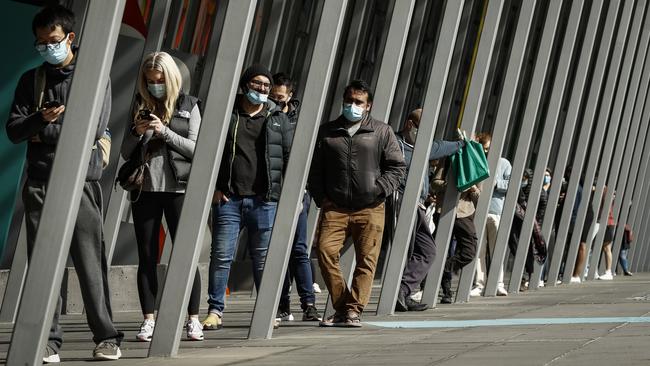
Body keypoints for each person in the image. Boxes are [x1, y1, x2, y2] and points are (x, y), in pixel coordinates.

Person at [6, 5, 123, 362]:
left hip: (81, 182)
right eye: (41, 43)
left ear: (70, 37)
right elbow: (14, 130)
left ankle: (107, 337)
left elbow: (91, 129)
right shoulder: (32, 81)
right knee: (44, 267)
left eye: (52, 41)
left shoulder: (93, 76)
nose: (46, 48)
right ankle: (47, 339)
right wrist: (42, 120)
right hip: (41, 182)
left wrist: (40, 131)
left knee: (90, 263)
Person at [120, 52, 203, 341]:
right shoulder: (141, 106)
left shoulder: (189, 105)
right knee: (147, 256)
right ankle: (148, 319)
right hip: (146, 189)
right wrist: (137, 131)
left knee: (185, 254)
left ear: (171, 79)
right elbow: (125, 152)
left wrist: (165, 132)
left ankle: (193, 318)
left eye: (159, 80)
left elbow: (195, 148)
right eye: (150, 81)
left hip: (179, 189)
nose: (155, 86)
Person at [309, 80, 406, 327]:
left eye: (358, 102)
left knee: (367, 260)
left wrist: (378, 190)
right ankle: (342, 306)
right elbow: (315, 169)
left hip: (371, 208)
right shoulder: (328, 131)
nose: (352, 105)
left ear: (368, 106)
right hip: (336, 207)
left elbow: (396, 168)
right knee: (325, 251)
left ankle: (353, 310)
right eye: (349, 101)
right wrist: (322, 197)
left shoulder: (382, 131)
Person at [203, 65, 293, 330]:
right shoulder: (229, 115)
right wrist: (216, 188)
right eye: (257, 84)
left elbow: (288, 159)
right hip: (229, 199)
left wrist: (283, 195)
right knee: (221, 256)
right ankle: (215, 310)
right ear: (245, 85)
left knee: (263, 259)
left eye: (266, 85)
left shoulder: (277, 118)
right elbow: (213, 153)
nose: (262, 89)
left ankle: (267, 310)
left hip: (263, 201)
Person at [393, 109, 464, 311]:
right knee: (421, 250)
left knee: (426, 250)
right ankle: (400, 292)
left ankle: (402, 291)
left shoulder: (421, 146)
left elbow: (440, 146)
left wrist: (462, 144)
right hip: (402, 202)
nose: (425, 137)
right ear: (409, 124)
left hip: (418, 205)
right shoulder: (395, 144)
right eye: (420, 129)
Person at [269, 73, 320, 322]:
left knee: (299, 248)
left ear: (290, 96)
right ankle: (281, 305)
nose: (276, 101)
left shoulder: (300, 121)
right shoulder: (265, 115)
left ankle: (308, 303)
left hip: (299, 190)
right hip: (271, 191)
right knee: (276, 250)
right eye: (273, 97)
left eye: (280, 97)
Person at [429, 159, 481, 304]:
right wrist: (452, 186)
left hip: (464, 213)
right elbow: (434, 183)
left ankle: (443, 269)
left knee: (469, 251)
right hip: (444, 211)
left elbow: (478, 195)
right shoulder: (448, 160)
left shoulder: (475, 162)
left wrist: (472, 189)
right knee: (440, 250)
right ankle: (446, 291)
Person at [471, 133, 510, 297]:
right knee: (479, 250)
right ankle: (479, 284)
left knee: (496, 249)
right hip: (478, 209)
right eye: (484, 149)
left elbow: (511, 184)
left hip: (495, 209)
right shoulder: (478, 160)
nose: (486, 153)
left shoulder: (504, 163)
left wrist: (496, 183)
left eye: (488, 149)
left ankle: (498, 283)